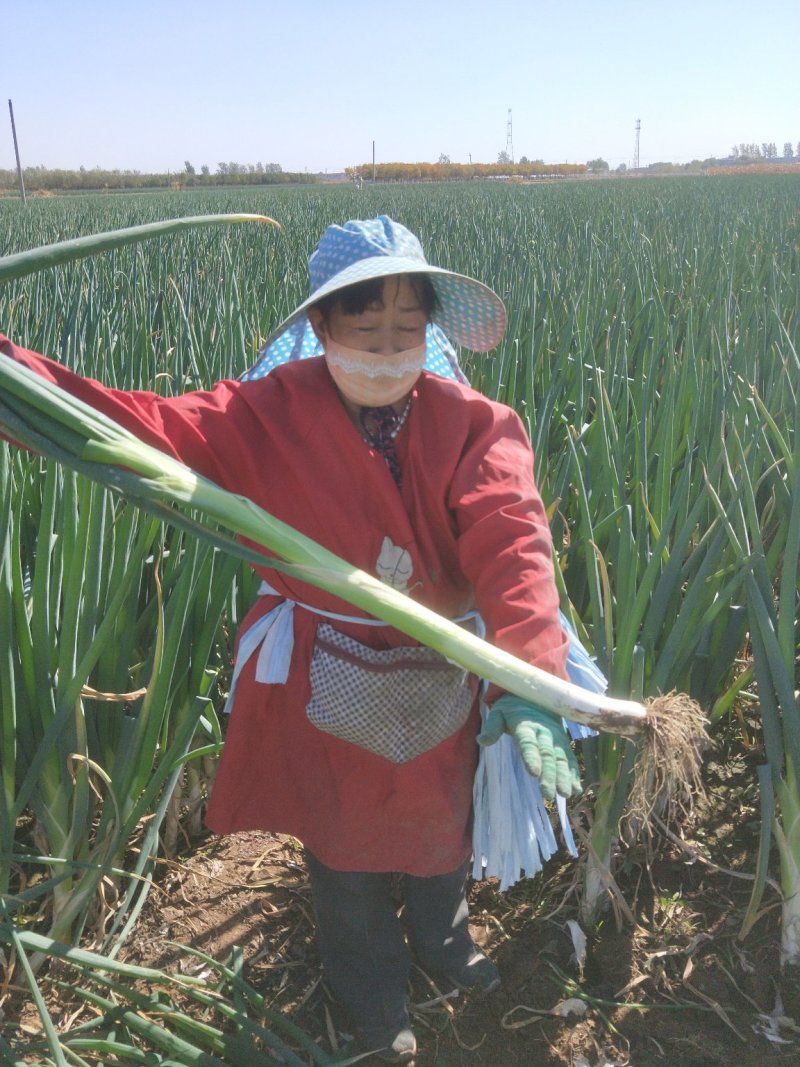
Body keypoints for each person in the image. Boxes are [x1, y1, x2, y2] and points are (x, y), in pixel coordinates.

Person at [0, 215, 581, 1065]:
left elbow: (513, 539)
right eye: (365, 328)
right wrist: (20, 382)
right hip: (332, 667)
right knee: (343, 847)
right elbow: (138, 424)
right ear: (321, 328)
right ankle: (371, 993)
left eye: (407, 330)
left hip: (446, 670)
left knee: (440, 826)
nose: (387, 349)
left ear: (431, 333)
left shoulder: (476, 423)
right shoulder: (265, 413)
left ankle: (444, 937)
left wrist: (530, 677)